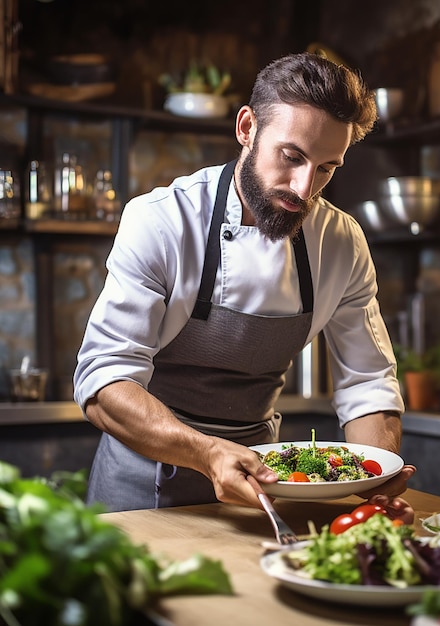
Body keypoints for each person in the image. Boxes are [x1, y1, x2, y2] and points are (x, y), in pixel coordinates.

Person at [73, 52, 416, 513]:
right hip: (141, 486)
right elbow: (104, 380)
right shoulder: (161, 221)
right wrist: (208, 452)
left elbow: (368, 382)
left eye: (327, 168)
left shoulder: (341, 243)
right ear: (246, 128)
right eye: (291, 156)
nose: (303, 188)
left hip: (261, 487)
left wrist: (379, 470)